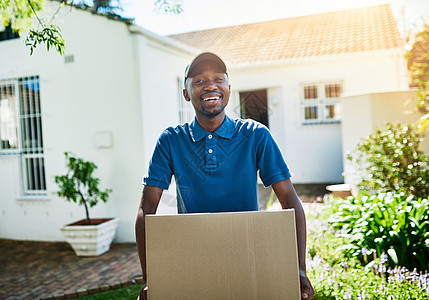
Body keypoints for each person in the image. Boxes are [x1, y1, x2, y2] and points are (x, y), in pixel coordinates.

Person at [135, 52, 314, 300]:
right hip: (191, 261)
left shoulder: (255, 134)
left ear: (228, 89)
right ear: (186, 93)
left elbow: (290, 201)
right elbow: (147, 210)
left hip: (248, 257)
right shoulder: (170, 141)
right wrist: (150, 277)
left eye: (218, 79)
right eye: (198, 81)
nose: (210, 85)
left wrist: (299, 268)